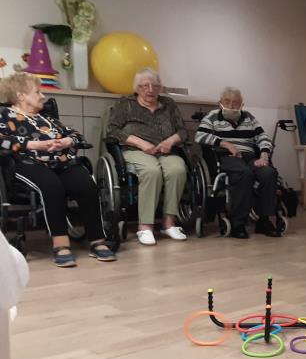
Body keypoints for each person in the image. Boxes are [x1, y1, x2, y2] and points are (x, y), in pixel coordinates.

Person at [0, 73, 116, 267]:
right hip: (26, 163)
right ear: (20, 95)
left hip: (61, 162)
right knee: (51, 186)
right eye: (37, 92)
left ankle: (98, 241)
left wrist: (67, 141)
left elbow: (77, 136)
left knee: (86, 184)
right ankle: (61, 245)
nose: (43, 96)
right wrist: (33, 145)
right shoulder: (4, 115)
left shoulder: (47, 118)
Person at [107, 68, 188, 246]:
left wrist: (171, 141)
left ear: (160, 88)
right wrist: (141, 143)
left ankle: (169, 223)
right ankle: (145, 226)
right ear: (137, 88)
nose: (150, 90)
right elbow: (113, 131)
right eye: (145, 86)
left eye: (155, 86)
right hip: (136, 150)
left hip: (166, 150)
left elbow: (183, 131)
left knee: (177, 169)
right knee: (151, 171)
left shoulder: (169, 104)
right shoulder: (125, 104)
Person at [195, 87, 281, 238]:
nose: (231, 105)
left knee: (269, 173)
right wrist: (226, 144)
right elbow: (200, 136)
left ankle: (264, 220)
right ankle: (238, 223)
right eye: (227, 101)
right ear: (220, 103)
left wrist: (264, 155)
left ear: (241, 104)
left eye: (235, 102)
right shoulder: (212, 116)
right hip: (226, 157)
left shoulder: (249, 117)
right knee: (244, 173)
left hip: (250, 157)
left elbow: (263, 137)